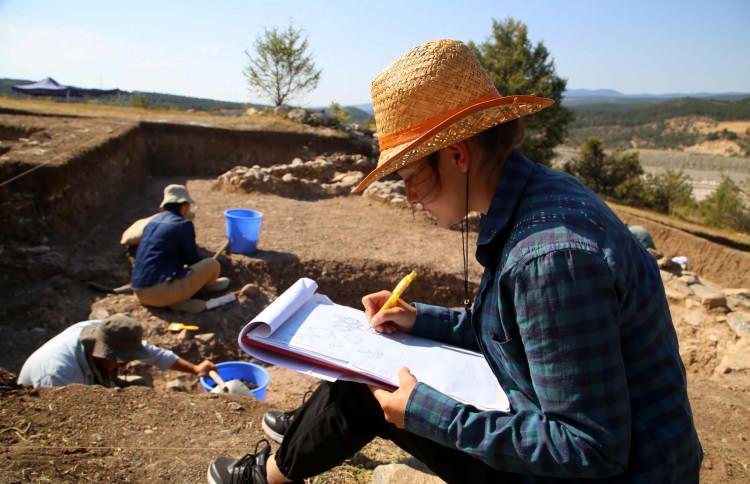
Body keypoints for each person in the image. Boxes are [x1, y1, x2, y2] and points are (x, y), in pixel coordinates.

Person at [208, 40, 701, 483]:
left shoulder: (549, 259)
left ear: (458, 156)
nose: (409, 195)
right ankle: (306, 432)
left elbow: (590, 448)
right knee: (378, 366)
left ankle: (265, 478)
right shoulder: (541, 197)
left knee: (371, 391)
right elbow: (515, 332)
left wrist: (429, 413)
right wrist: (420, 318)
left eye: (410, 175)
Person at [18, 314, 216, 388]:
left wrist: (195, 369)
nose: (125, 365)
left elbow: (155, 354)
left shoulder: (106, 329)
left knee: (139, 385)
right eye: (121, 361)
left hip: (93, 376)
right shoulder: (59, 376)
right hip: (46, 398)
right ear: (101, 353)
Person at [131, 184, 230, 313]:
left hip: (139, 292)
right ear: (184, 206)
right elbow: (192, 260)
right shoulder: (183, 225)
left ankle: (176, 296)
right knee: (212, 264)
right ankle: (180, 299)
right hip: (159, 294)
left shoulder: (152, 223)